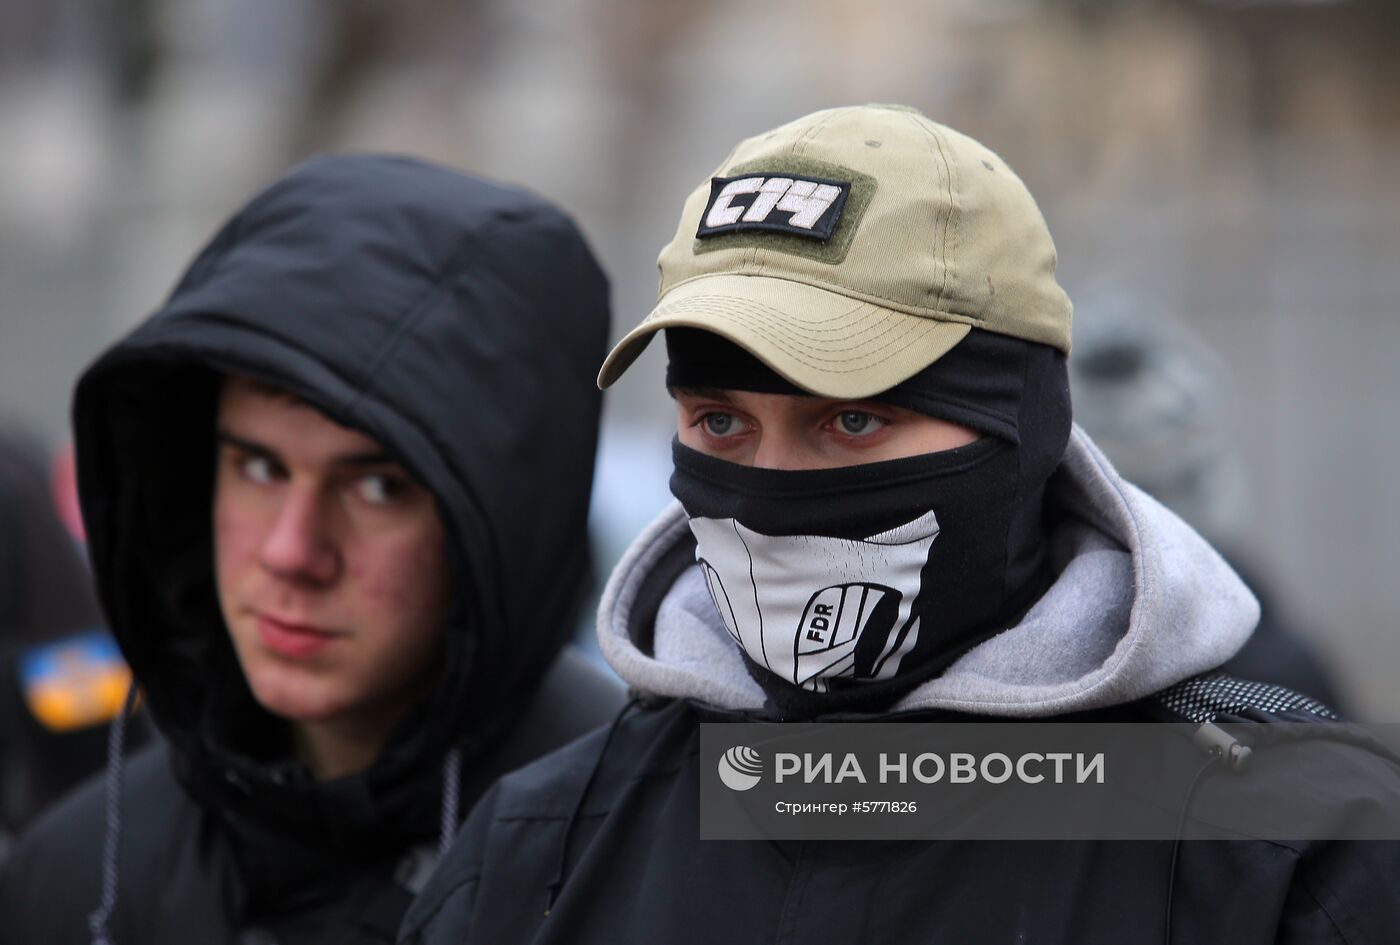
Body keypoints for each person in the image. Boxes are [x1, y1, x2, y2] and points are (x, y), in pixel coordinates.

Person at [400, 105, 1400, 945]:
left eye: (851, 419)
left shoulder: (1296, 851)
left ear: (1022, 427)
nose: (765, 495)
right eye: (719, 422)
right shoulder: (539, 852)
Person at [0, 154, 624, 943]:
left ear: (501, 518)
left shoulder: (657, 837)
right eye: (259, 467)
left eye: (376, 488)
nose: (293, 552)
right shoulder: (80, 871)